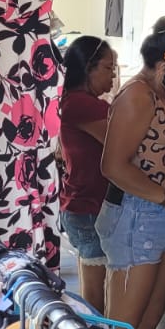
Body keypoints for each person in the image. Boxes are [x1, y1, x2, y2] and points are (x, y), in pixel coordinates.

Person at [96, 18, 165, 329]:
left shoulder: (160, 94)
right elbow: (113, 166)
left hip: (161, 210)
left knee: (149, 320)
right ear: (164, 66)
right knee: (124, 327)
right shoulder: (137, 95)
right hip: (137, 211)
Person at [57, 35, 118, 313]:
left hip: (81, 203)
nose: (113, 74)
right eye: (108, 67)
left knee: (92, 286)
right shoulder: (83, 104)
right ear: (88, 68)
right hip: (90, 206)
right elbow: (122, 144)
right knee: (96, 294)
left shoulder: (73, 101)